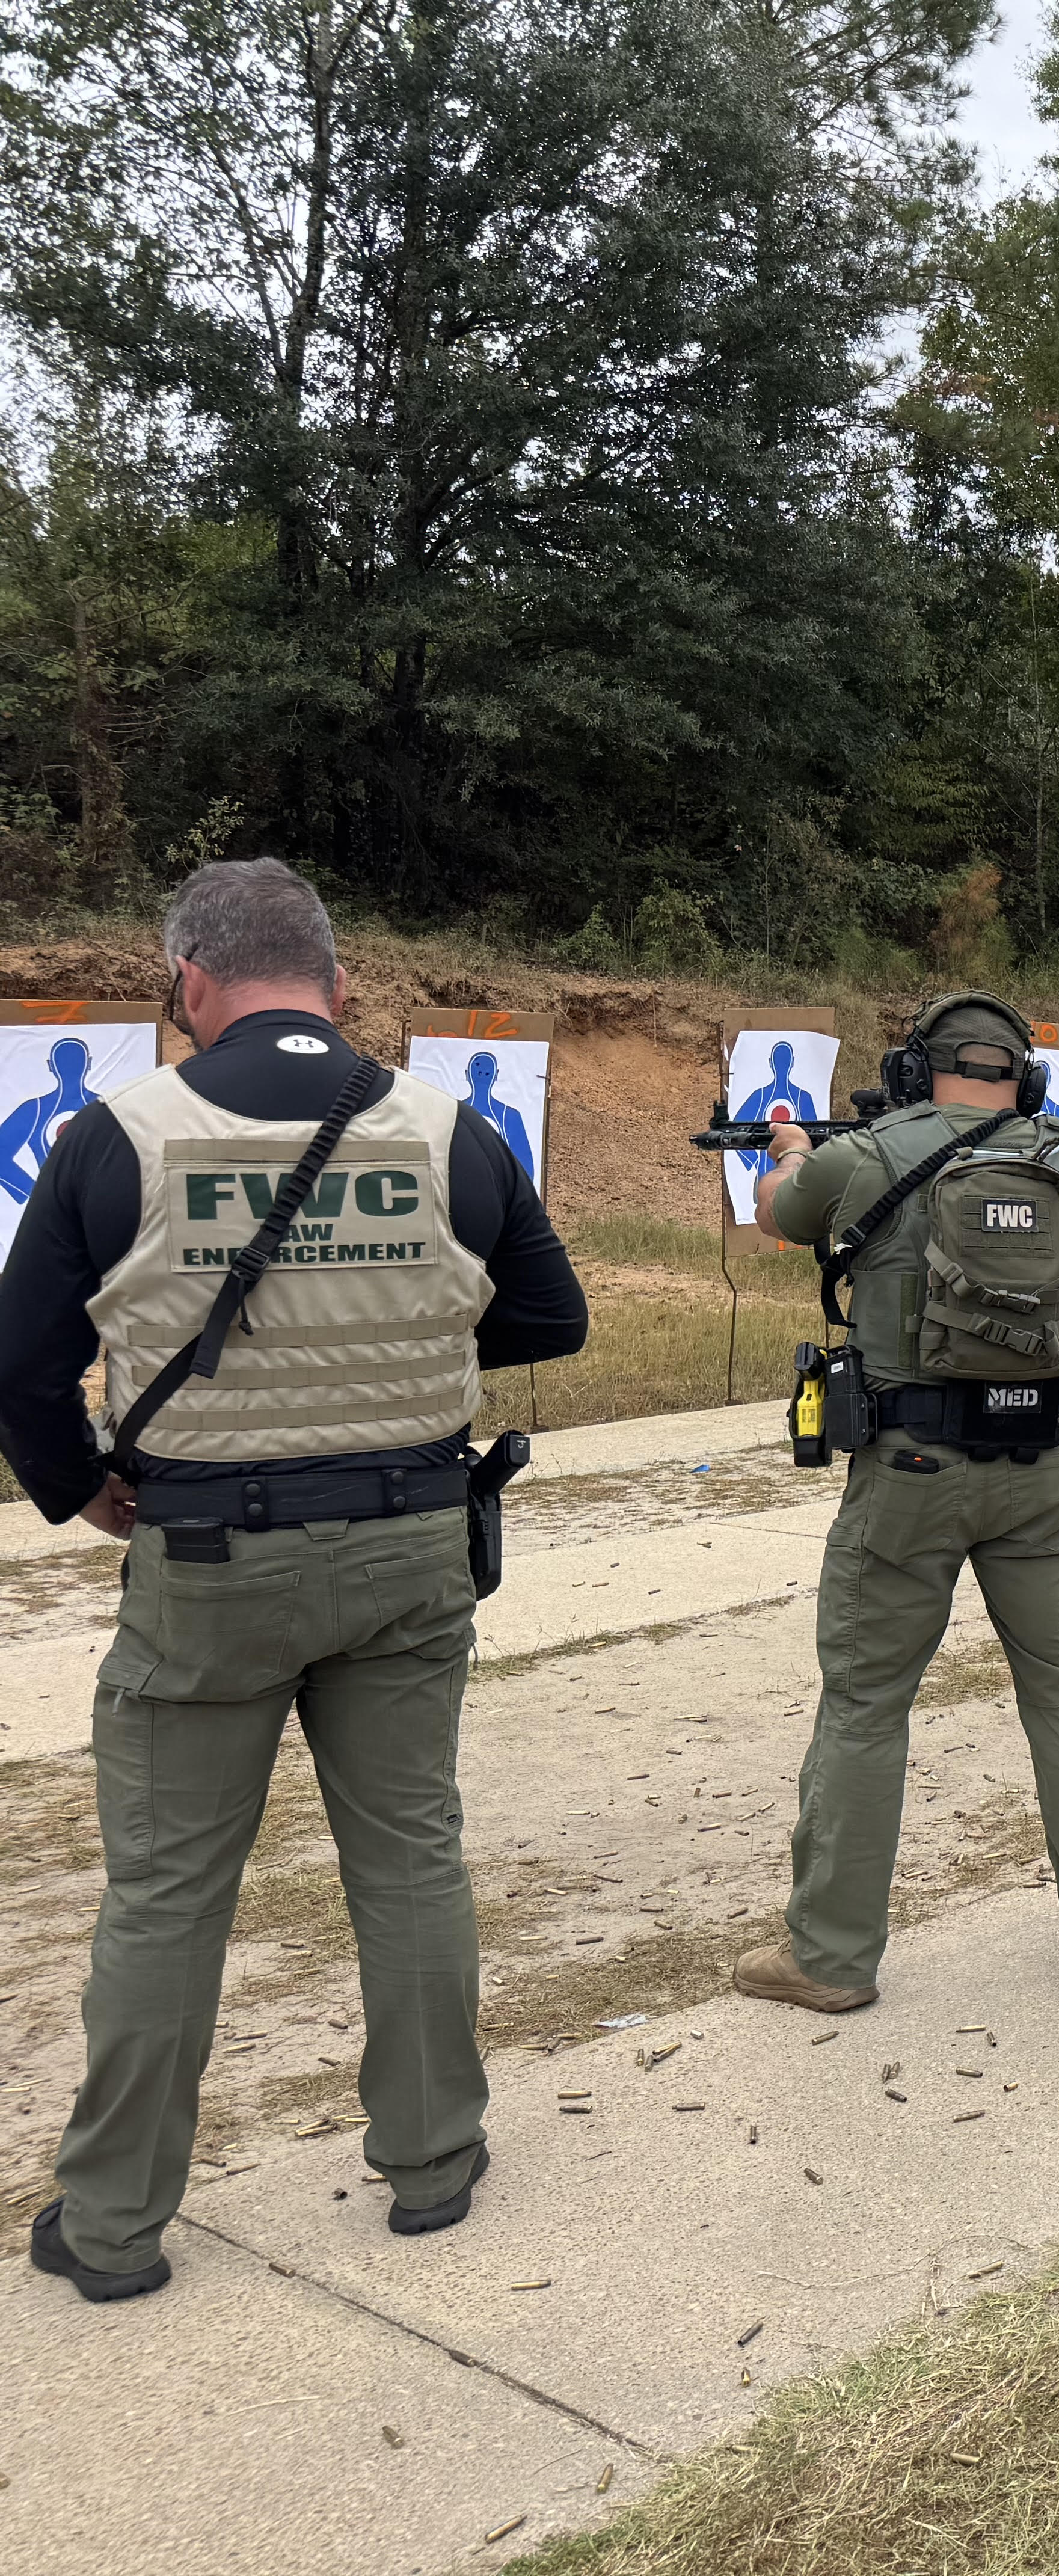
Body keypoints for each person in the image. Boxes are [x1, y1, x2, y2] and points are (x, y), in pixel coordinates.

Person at [0, 860, 587, 2299]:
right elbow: (549, 1316)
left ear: (188, 982)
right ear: (336, 983)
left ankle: (119, 2225)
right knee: (411, 1859)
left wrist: (84, 1491)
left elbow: (18, 1364)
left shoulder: (116, 1132)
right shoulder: (448, 1128)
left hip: (204, 1557)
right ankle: (435, 2162)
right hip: (409, 1544)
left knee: (167, 1896)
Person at [737, 993, 1059, 2013]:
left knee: (867, 1702)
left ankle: (831, 1956)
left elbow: (779, 1213)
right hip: (1050, 1466)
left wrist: (792, 1149)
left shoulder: (869, 1153)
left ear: (920, 1071)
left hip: (911, 1471)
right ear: (1029, 1076)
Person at [0, 1034, 101, 1203]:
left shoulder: (107, 1106)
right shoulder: (36, 1110)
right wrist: (34, 1192)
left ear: (50, 1066)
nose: (70, 1068)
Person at [731, 1036, 821, 1180]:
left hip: (798, 1172)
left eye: (784, 1061)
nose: (782, 1066)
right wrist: (755, 1161)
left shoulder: (802, 1097)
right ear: (771, 1063)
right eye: (780, 1061)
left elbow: (817, 1136)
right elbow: (734, 1130)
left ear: (791, 1063)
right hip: (770, 1170)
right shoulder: (761, 1096)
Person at [461, 1048, 537, 1185]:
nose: (483, 1073)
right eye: (478, 1069)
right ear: (467, 1074)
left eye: (487, 1071)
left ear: (495, 1075)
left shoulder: (509, 1116)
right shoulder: (454, 1111)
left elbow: (526, 1170)